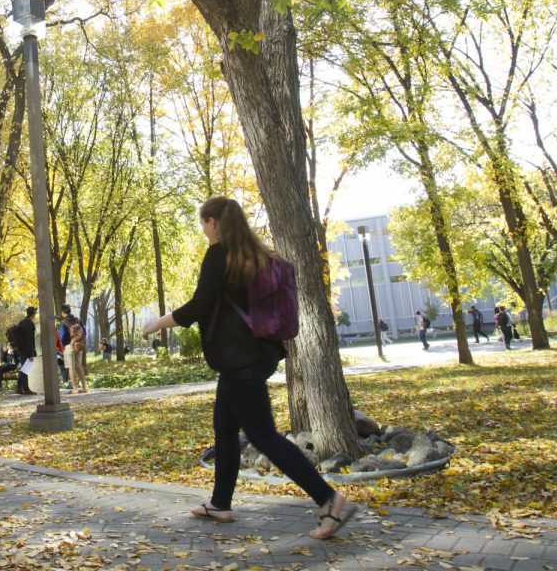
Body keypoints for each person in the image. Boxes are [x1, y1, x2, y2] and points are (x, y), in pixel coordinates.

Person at [140, 196, 356, 540]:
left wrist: (158, 323)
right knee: (225, 429)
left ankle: (328, 498)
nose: (203, 231)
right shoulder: (256, 257)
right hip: (257, 354)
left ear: (212, 222)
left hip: (240, 360)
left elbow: (201, 304)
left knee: (262, 434)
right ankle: (220, 504)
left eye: (203, 224)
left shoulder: (219, 254)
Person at [14, 306, 37, 395]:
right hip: (27, 349)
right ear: (33, 314)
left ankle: (19, 388)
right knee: (26, 369)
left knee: (24, 368)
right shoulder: (30, 324)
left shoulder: (22, 322)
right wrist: (32, 353)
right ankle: (26, 389)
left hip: (20, 348)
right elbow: (30, 339)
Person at [68, 322, 87, 394]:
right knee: (79, 366)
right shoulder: (79, 322)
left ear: (63, 313)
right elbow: (85, 333)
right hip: (79, 346)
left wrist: (63, 345)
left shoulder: (64, 322)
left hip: (70, 346)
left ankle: (75, 388)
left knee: (71, 367)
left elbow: (63, 336)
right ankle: (84, 387)